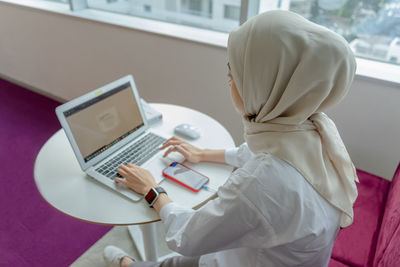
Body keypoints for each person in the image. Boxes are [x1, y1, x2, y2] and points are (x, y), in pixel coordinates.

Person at [103, 10, 359, 267]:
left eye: (232, 75)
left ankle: (127, 265)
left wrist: (152, 190)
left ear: (263, 84)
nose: (229, 84)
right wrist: (202, 154)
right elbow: (261, 154)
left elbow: (187, 236)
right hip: (264, 253)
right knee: (179, 262)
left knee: (182, 255)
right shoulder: (313, 128)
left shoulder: (262, 181)